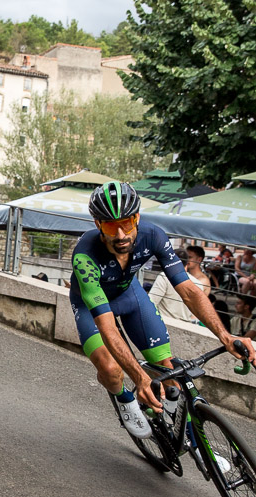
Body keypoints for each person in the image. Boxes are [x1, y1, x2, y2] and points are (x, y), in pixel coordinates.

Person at [69, 181, 255, 439]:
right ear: (97, 223)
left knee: (169, 372)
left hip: (130, 296)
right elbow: (107, 326)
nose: (121, 234)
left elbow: (189, 291)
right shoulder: (85, 257)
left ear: (137, 217)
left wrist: (226, 336)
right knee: (112, 371)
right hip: (91, 307)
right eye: (111, 225)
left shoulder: (153, 235)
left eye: (127, 223)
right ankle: (125, 401)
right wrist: (140, 379)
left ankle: (193, 441)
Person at [148, 249, 197, 324]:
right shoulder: (198, 283)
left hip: (164, 322)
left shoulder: (164, 277)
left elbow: (151, 302)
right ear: (186, 264)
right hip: (187, 325)